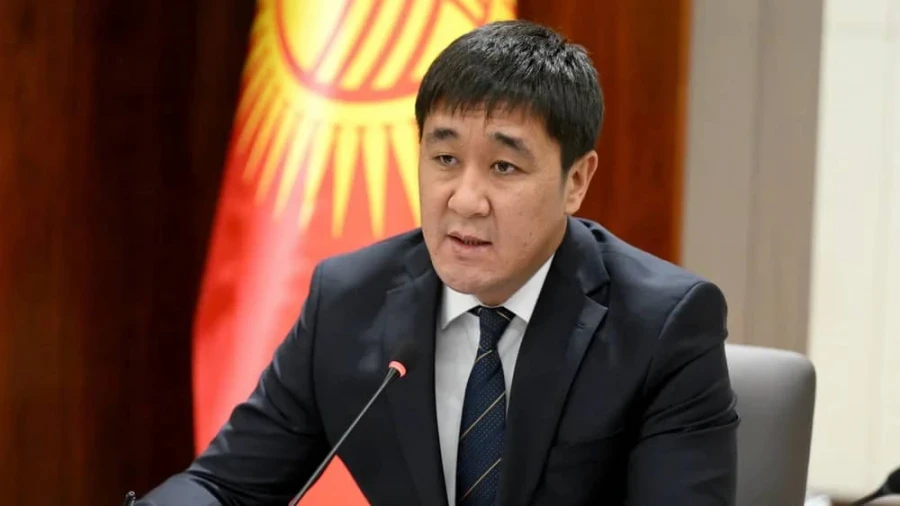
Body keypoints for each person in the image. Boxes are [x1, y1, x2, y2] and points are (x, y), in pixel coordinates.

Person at [139, 20, 738, 506]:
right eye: (445, 158)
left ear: (576, 180)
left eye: (503, 167)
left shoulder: (662, 327)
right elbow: (226, 487)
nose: (464, 200)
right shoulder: (348, 302)